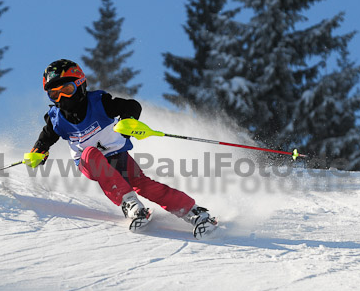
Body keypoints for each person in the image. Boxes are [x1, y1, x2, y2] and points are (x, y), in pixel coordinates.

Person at [26, 59, 217, 238]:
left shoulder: (100, 103)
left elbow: (131, 106)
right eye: (54, 94)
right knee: (91, 154)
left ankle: (193, 212)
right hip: (89, 162)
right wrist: (38, 152)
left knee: (143, 184)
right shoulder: (56, 118)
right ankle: (130, 204)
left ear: (80, 85)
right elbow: (46, 138)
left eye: (66, 89)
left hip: (117, 155)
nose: (61, 98)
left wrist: (128, 121)